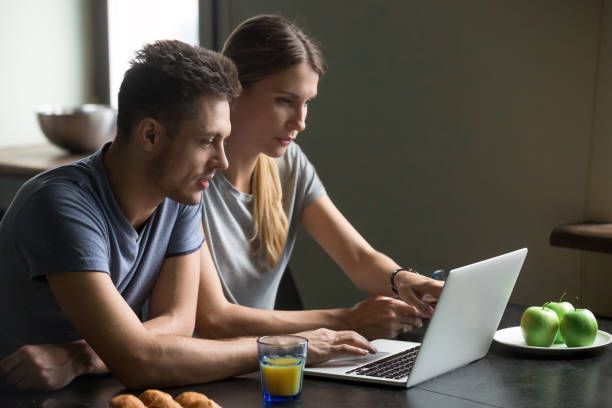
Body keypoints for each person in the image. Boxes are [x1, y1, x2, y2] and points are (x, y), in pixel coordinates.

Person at [0, 40, 374, 391]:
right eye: (207, 141)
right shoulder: (61, 206)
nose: (222, 161)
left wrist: (83, 356)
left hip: (97, 388)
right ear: (150, 136)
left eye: (223, 140)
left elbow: (180, 324)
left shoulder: (178, 195)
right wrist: (284, 346)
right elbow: (138, 360)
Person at [195, 15, 444, 341]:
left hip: (265, 365)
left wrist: (404, 280)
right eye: (285, 101)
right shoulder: (190, 177)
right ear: (234, 92)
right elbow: (212, 320)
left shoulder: (289, 165)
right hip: (203, 371)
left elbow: (358, 258)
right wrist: (348, 320)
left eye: (307, 103)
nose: (300, 122)